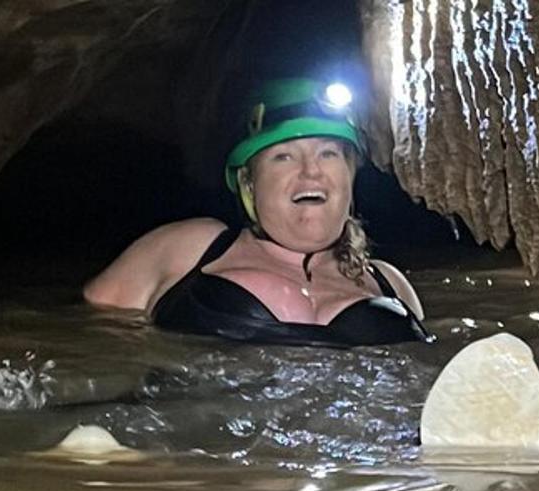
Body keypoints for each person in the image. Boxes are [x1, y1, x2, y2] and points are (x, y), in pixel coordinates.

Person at [84, 77, 432, 347]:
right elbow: (85, 335)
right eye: (284, 157)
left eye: (328, 153)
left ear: (350, 173)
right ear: (249, 182)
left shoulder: (390, 283)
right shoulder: (190, 249)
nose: (311, 171)